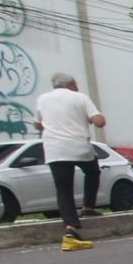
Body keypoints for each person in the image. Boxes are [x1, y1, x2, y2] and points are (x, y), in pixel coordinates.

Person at [33, 72, 105, 252]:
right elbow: (99, 122)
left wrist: (52, 126)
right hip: (78, 146)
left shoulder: (42, 99)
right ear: (71, 84)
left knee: (63, 188)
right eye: (76, 84)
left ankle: (70, 227)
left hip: (54, 148)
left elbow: (37, 124)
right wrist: (90, 118)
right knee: (93, 171)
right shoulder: (79, 97)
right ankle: (88, 206)